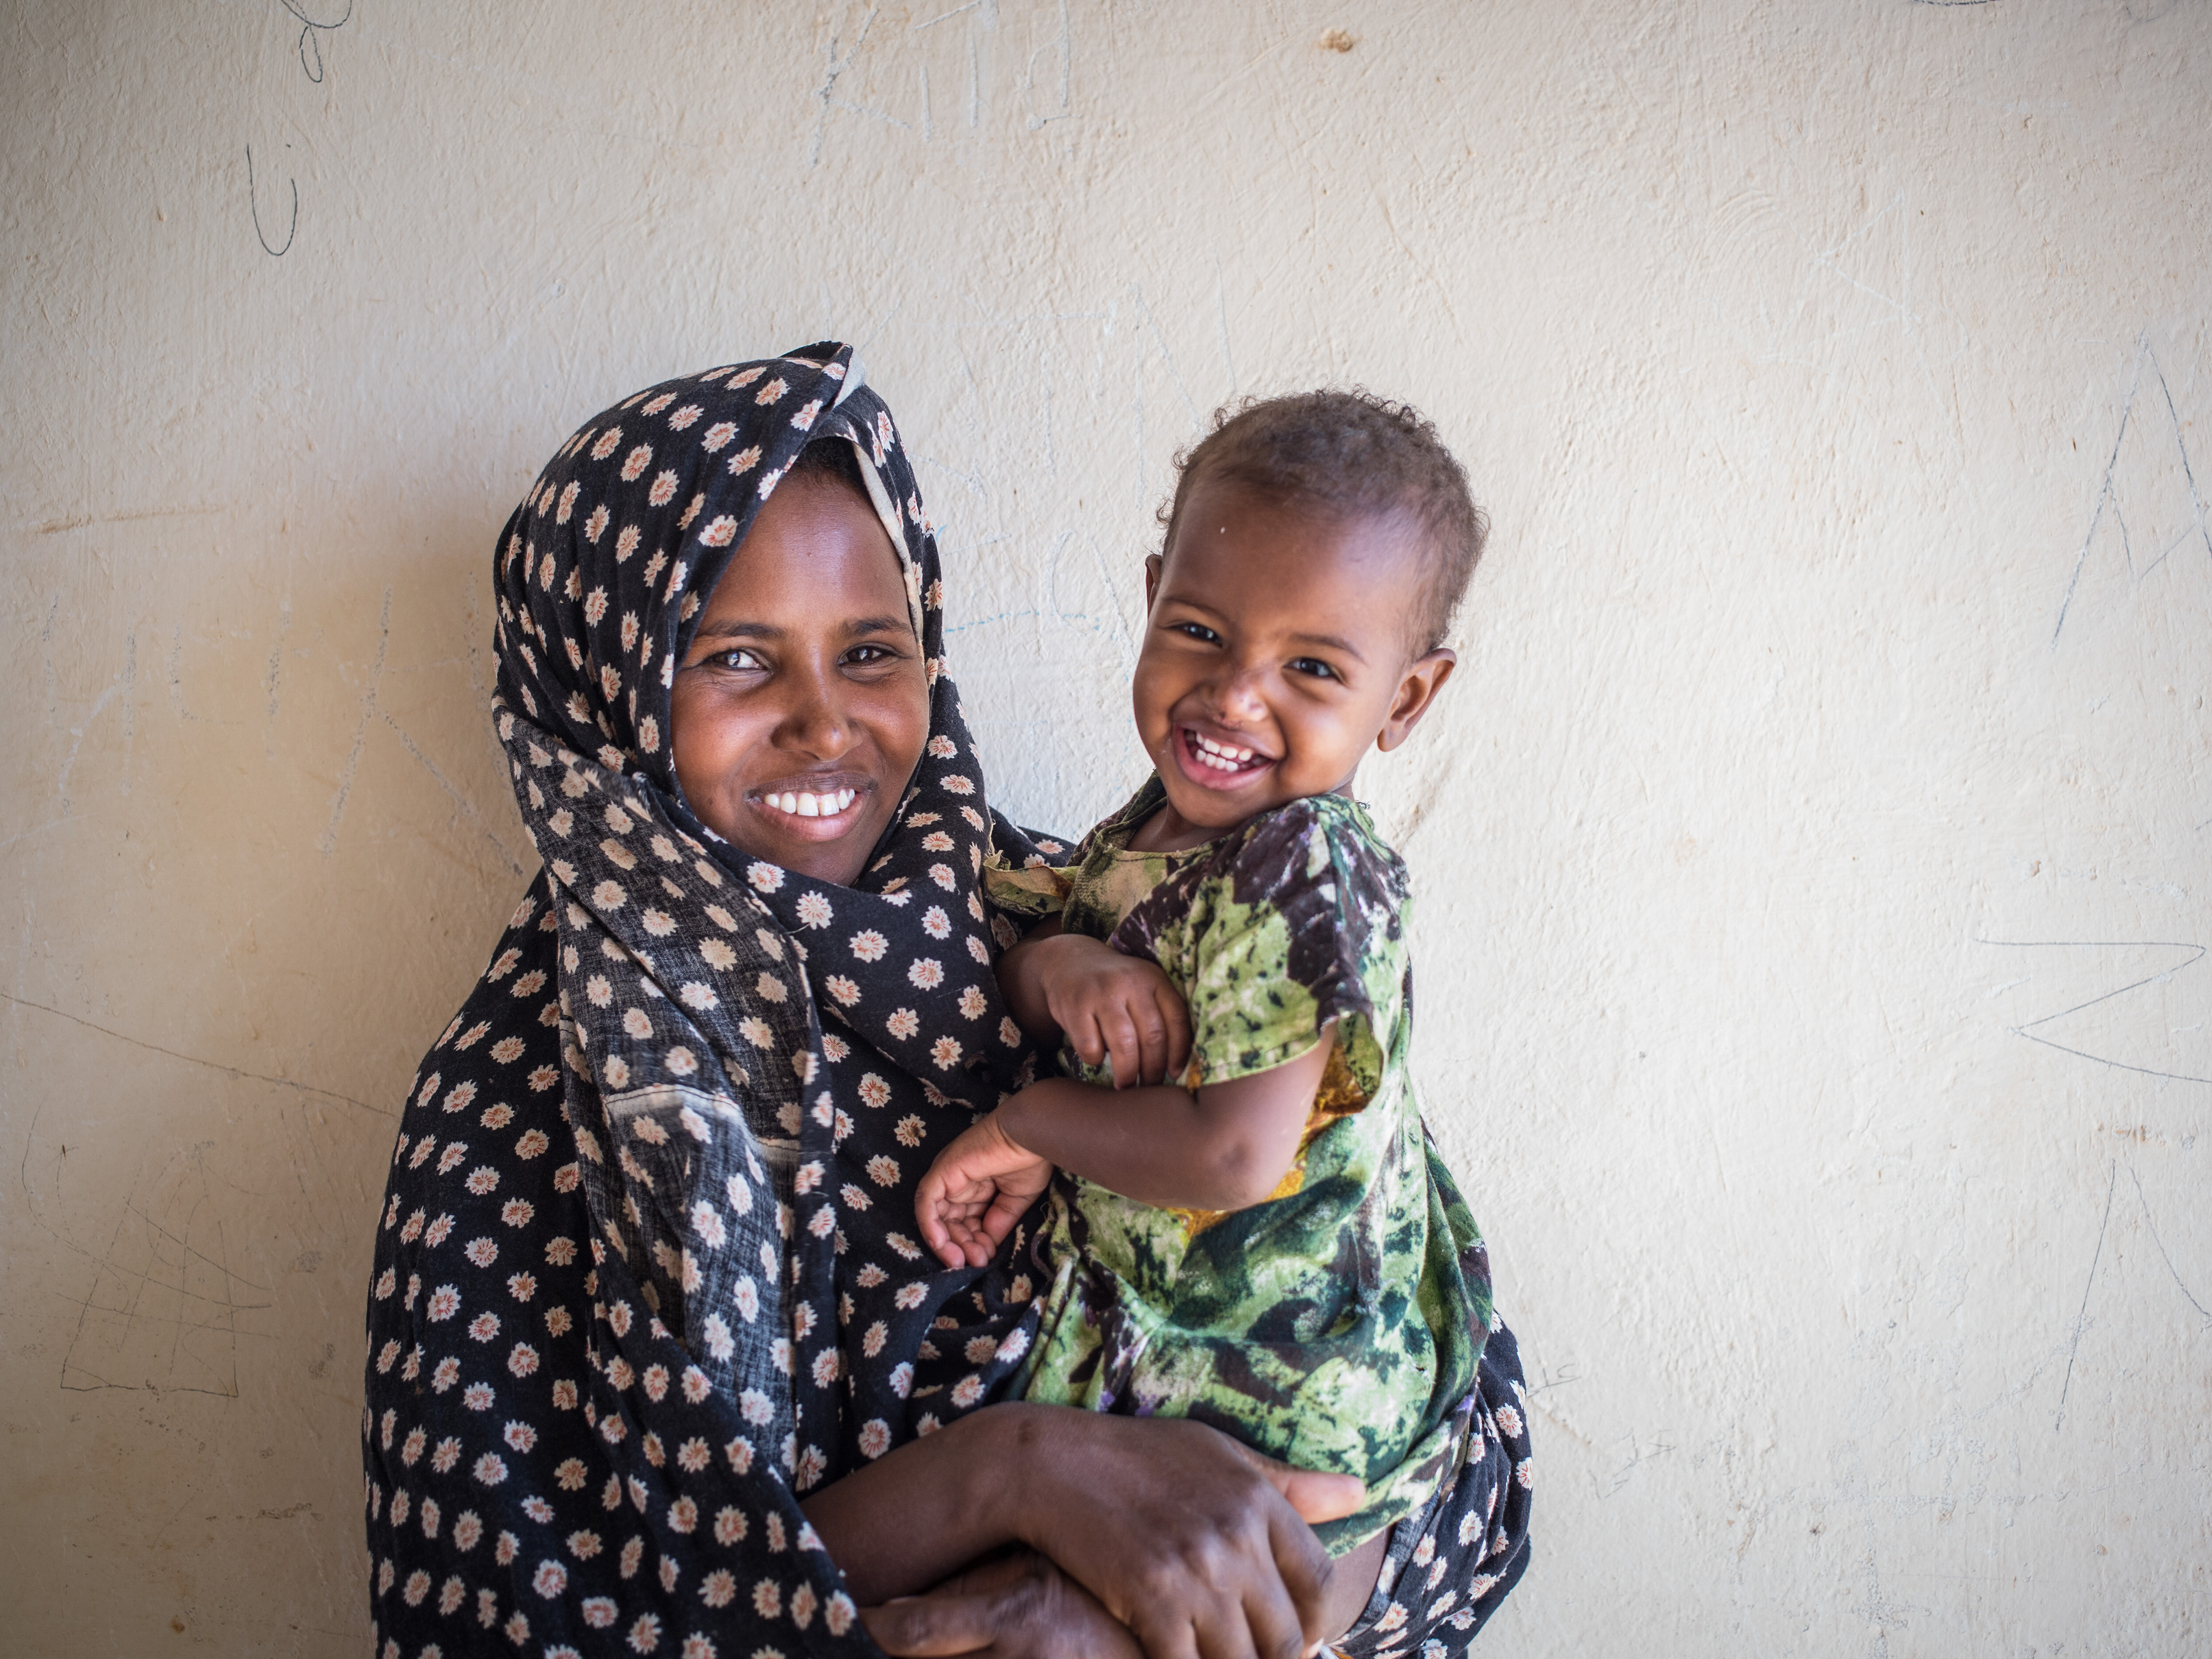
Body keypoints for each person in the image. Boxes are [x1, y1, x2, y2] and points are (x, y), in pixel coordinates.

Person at [363, 345, 1524, 1658]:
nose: (825, 723)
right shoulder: (519, 1112)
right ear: (608, 688)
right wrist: (1019, 1472)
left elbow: (1467, 1454)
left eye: (872, 650)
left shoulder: (1125, 927)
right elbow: (531, 1618)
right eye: (737, 660)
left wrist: (1158, 1612)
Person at [908, 389, 1533, 1619]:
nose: (1234, 696)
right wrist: (1062, 971)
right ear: (1150, 599)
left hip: (1301, 1373)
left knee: (1275, 1600)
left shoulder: (1309, 864)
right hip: (1161, 1345)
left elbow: (1236, 1155)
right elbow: (1041, 937)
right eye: (1200, 631)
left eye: (1310, 667)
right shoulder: (1149, 830)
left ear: (1404, 702)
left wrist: (1025, 1125)